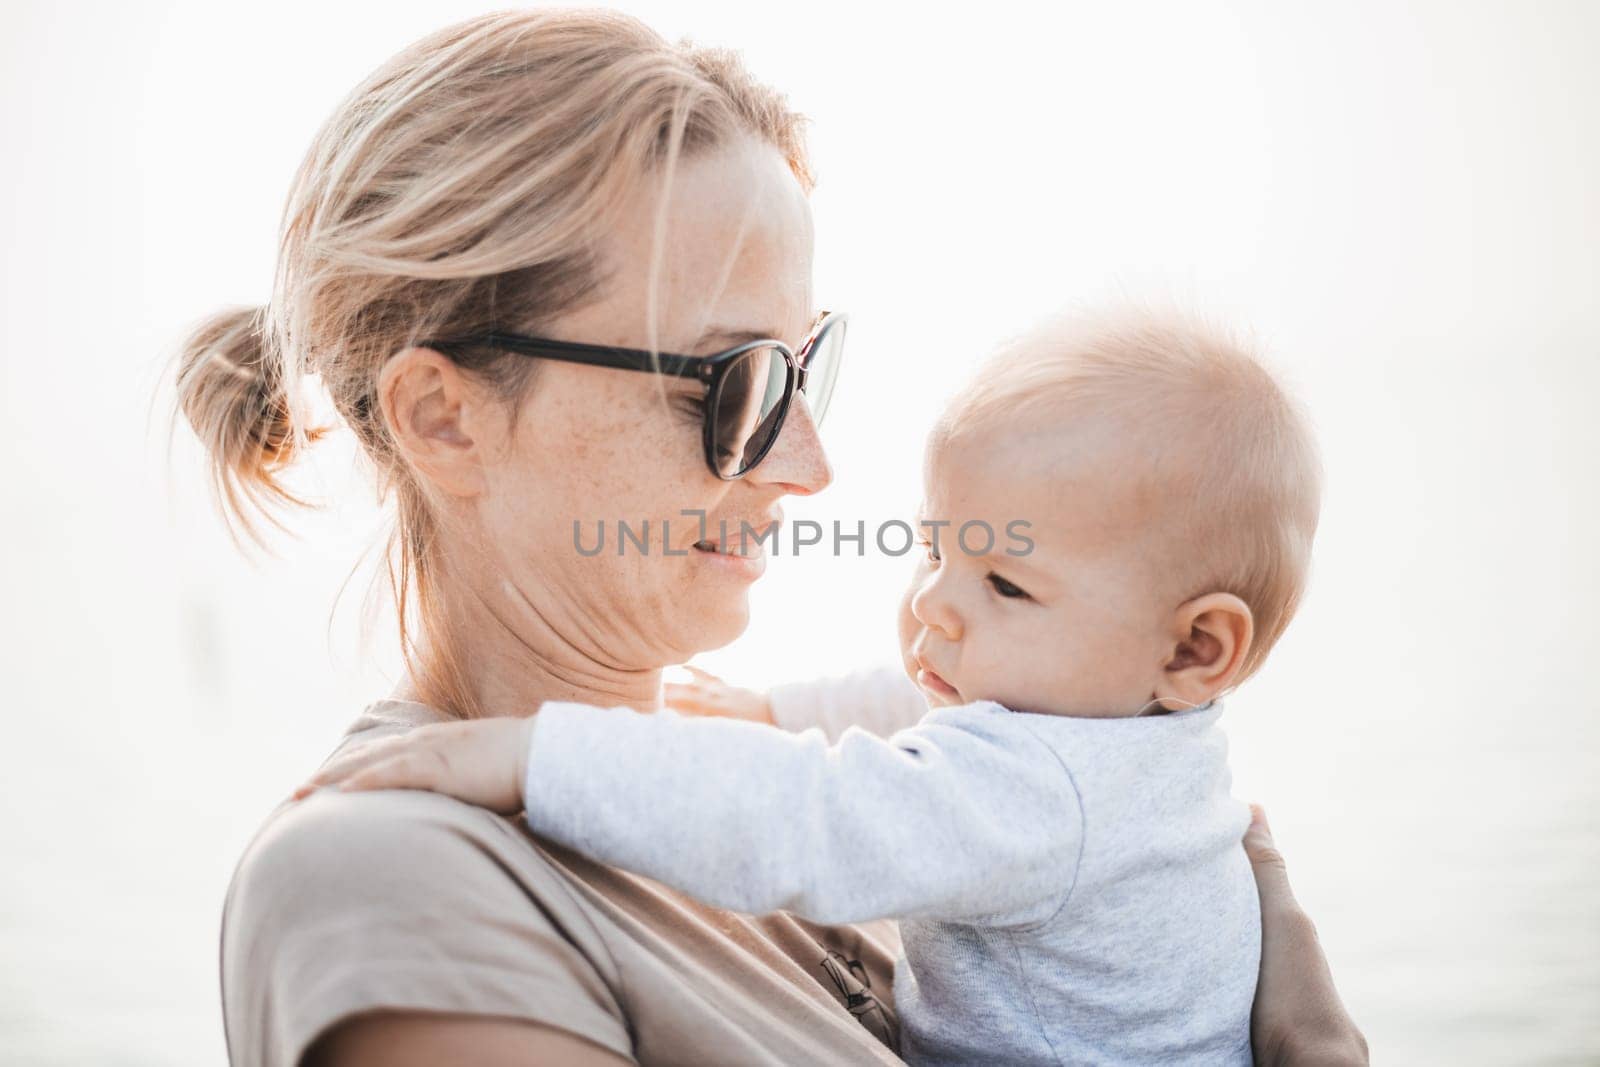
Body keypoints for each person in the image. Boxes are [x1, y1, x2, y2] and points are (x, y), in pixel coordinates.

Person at [176, 9, 1368, 1066]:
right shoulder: (387, 876)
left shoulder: (788, 794)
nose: (810, 464)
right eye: (735, 382)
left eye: (808, 369)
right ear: (445, 418)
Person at [301, 309, 1321, 1064]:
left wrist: (537, 753)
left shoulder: (1037, 788)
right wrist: (777, 709)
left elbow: (812, 814)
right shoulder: (1131, 728)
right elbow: (910, 694)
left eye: (1005, 582)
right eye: (934, 553)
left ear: (1197, 648)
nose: (936, 608)